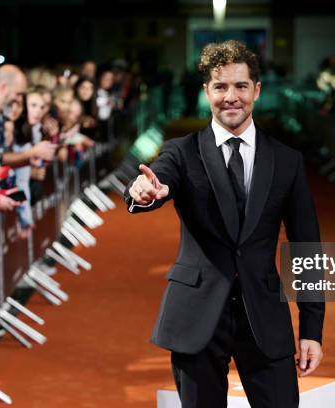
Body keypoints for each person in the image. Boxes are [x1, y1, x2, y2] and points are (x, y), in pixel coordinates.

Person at [124, 40, 324, 408]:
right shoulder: (180, 152)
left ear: (257, 90)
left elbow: (306, 248)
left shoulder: (287, 161)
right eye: (220, 87)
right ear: (206, 92)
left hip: (264, 317)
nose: (231, 97)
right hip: (196, 319)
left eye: (240, 86)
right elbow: (157, 180)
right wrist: (145, 191)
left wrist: (312, 329)